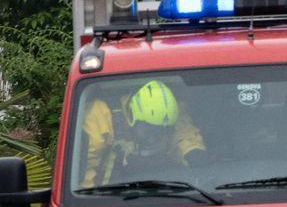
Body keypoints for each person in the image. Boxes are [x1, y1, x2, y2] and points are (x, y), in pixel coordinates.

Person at [79, 79, 207, 187]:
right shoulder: (100, 116)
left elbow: (185, 137)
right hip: (109, 196)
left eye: (160, 131)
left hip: (163, 191)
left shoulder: (171, 114)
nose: (153, 138)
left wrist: (194, 156)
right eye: (148, 129)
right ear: (131, 118)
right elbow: (83, 172)